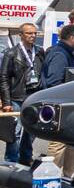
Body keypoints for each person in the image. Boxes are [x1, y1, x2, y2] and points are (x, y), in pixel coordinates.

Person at [39, 22, 74, 177]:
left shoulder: (65, 52)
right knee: (58, 144)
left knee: (71, 144)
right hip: (60, 107)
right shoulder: (60, 54)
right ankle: (48, 178)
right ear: (72, 38)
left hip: (64, 106)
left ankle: (68, 177)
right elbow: (54, 82)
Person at [1, 23, 45, 165]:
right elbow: (3, 78)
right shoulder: (11, 53)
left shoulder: (39, 51)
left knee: (31, 130)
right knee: (16, 132)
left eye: (35, 33)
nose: (32, 36)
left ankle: (25, 158)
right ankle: (11, 160)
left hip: (34, 97)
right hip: (17, 98)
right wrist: (6, 102)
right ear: (20, 35)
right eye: (29, 33)